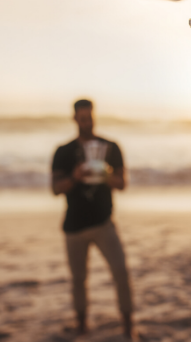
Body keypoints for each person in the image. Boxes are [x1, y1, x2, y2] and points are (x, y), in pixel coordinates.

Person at [51, 99, 135, 339]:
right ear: (75, 118)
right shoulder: (63, 152)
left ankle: (128, 325)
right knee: (78, 279)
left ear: (94, 117)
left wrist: (105, 174)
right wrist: (75, 177)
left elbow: (122, 184)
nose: (86, 122)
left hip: (104, 223)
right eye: (82, 118)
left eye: (89, 117)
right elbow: (56, 188)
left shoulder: (110, 147)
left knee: (120, 271)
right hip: (74, 227)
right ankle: (81, 324)